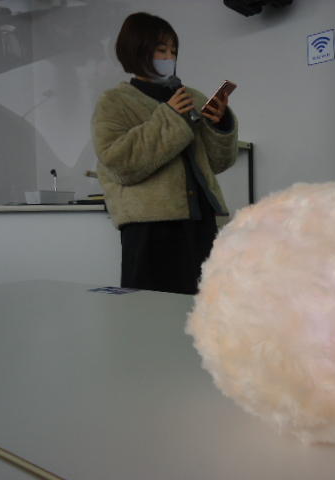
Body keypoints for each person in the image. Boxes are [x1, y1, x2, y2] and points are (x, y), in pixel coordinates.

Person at [91, 12, 238, 294]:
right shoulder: (114, 102)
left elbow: (219, 162)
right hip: (149, 227)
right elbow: (119, 163)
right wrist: (169, 117)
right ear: (137, 51)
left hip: (201, 220)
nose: (169, 57)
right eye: (161, 50)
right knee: (148, 309)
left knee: (203, 306)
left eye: (173, 50)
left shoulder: (192, 97)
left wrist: (220, 124)